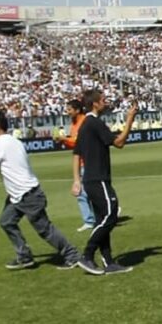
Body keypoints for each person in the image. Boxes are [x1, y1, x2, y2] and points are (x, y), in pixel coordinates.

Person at [0, 110, 83, 271]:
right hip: (22, 194)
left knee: (44, 230)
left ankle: (72, 255)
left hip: (26, 195)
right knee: (6, 221)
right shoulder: (14, 141)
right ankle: (24, 257)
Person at [71, 89, 138, 275]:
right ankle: (87, 255)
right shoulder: (93, 123)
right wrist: (130, 119)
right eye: (103, 100)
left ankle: (109, 262)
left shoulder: (86, 124)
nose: (105, 102)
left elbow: (76, 154)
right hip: (98, 179)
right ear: (95, 104)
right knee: (111, 215)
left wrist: (77, 180)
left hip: (91, 180)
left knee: (102, 219)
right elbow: (119, 143)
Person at [56, 98, 96, 232]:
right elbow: (75, 144)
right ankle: (102, 213)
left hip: (88, 162)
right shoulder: (74, 124)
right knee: (87, 192)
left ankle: (91, 220)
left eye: (69, 110)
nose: (67, 112)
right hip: (81, 162)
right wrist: (64, 141)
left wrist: (64, 139)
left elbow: (79, 141)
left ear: (77, 110)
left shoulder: (84, 122)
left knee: (82, 192)